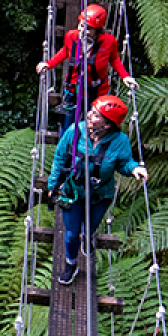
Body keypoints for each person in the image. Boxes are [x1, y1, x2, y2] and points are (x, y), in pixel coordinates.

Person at [47, 94, 147, 285]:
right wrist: (53, 185)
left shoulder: (120, 141)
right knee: (70, 233)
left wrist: (134, 168)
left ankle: (88, 236)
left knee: (90, 227)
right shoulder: (75, 131)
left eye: (96, 114)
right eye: (92, 111)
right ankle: (71, 263)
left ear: (107, 124)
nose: (89, 115)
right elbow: (60, 157)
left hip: (99, 196)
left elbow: (124, 162)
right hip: (73, 191)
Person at [37, 3, 135, 120]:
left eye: (88, 28)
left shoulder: (109, 41)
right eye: (81, 25)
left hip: (98, 91)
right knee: (69, 126)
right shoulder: (71, 36)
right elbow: (65, 51)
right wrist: (48, 64)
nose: (82, 30)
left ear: (98, 30)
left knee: (97, 124)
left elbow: (114, 59)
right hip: (73, 89)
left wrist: (125, 76)